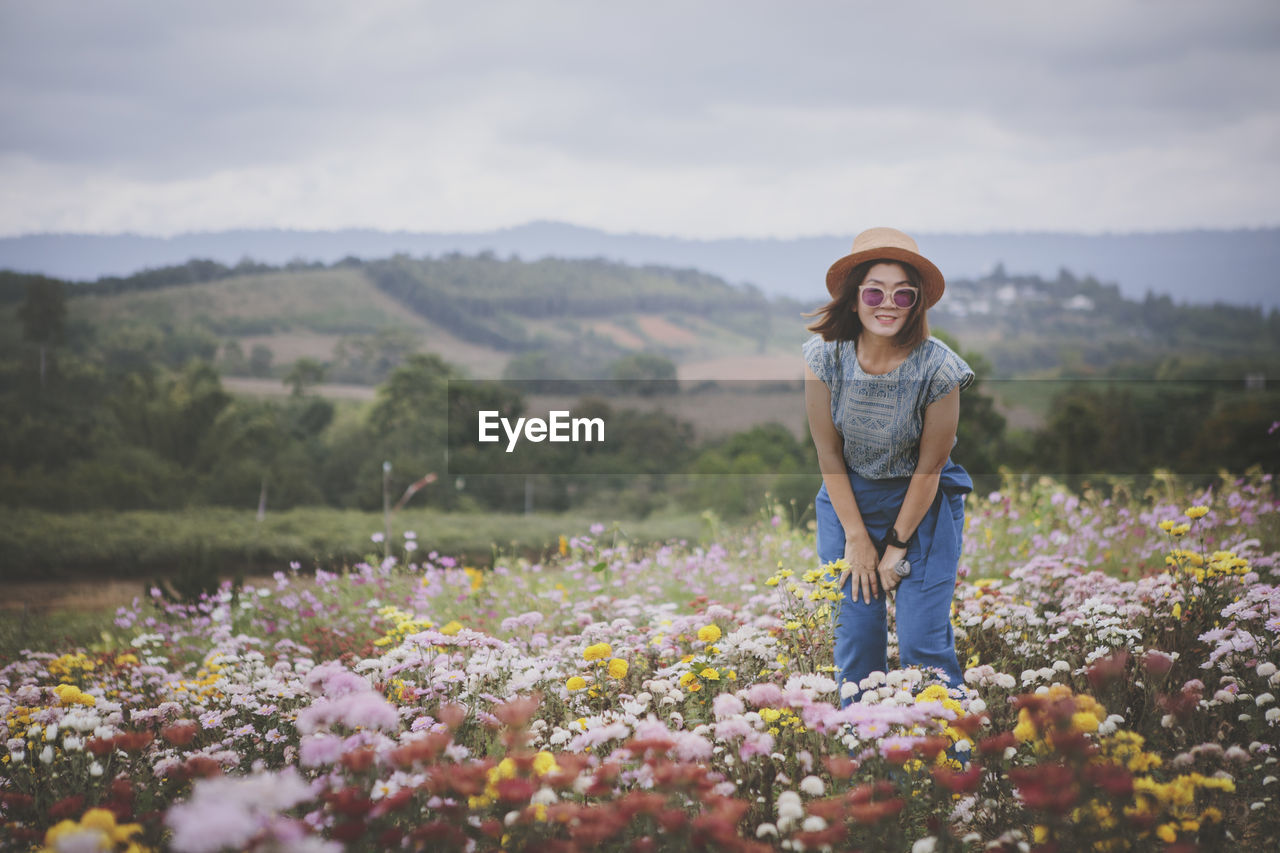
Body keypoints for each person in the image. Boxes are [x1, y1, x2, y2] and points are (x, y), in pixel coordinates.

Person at [802, 227, 975, 705]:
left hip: (921, 510)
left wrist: (896, 545)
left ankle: (948, 765)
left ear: (917, 302)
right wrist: (856, 538)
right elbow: (828, 455)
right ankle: (865, 761)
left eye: (904, 293)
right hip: (847, 503)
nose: (889, 303)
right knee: (857, 641)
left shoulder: (940, 370)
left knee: (923, 646)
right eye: (875, 290)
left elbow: (930, 468)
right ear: (855, 297)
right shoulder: (824, 356)